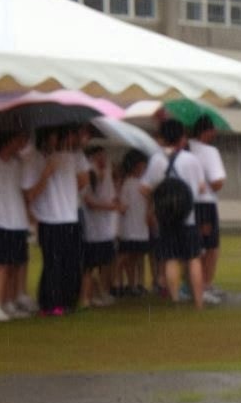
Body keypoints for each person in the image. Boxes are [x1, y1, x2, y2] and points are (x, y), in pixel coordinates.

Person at [21, 125, 88, 316]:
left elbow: (81, 182)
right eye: (52, 138)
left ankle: (68, 300)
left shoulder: (67, 157)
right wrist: (46, 174)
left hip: (70, 217)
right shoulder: (34, 159)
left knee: (71, 262)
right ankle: (49, 303)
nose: (56, 142)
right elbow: (30, 194)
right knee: (53, 264)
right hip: (50, 220)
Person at [141, 118, 207, 308]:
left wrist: (159, 196)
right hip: (189, 217)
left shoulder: (156, 160)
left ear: (162, 138)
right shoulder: (191, 160)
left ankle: (176, 299)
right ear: (182, 138)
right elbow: (201, 187)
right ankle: (198, 301)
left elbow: (144, 189)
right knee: (193, 258)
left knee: (171, 258)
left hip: (166, 218)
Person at [188, 114, 227, 303]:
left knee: (194, 247)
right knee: (210, 247)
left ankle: (192, 285)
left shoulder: (185, 148)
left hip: (187, 204)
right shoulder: (209, 151)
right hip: (205, 202)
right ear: (207, 131)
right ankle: (205, 285)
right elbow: (217, 182)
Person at [80, 144, 121, 308]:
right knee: (91, 265)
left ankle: (101, 293)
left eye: (104, 156)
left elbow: (110, 196)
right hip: (93, 228)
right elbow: (89, 202)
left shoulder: (107, 173)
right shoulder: (90, 173)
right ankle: (88, 297)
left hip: (106, 228)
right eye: (99, 156)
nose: (103, 159)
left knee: (105, 263)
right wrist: (111, 207)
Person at [0, 128, 31, 320]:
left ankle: (8, 301)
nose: (22, 144)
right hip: (1, 219)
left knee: (13, 264)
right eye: (19, 140)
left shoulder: (18, 163)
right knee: (1, 264)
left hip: (16, 220)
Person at [115, 149, 151, 295]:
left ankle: (132, 284)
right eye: (142, 166)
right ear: (135, 166)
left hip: (140, 226)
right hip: (130, 228)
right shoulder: (128, 184)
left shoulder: (141, 183)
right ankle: (116, 282)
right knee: (125, 256)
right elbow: (123, 207)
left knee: (135, 257)